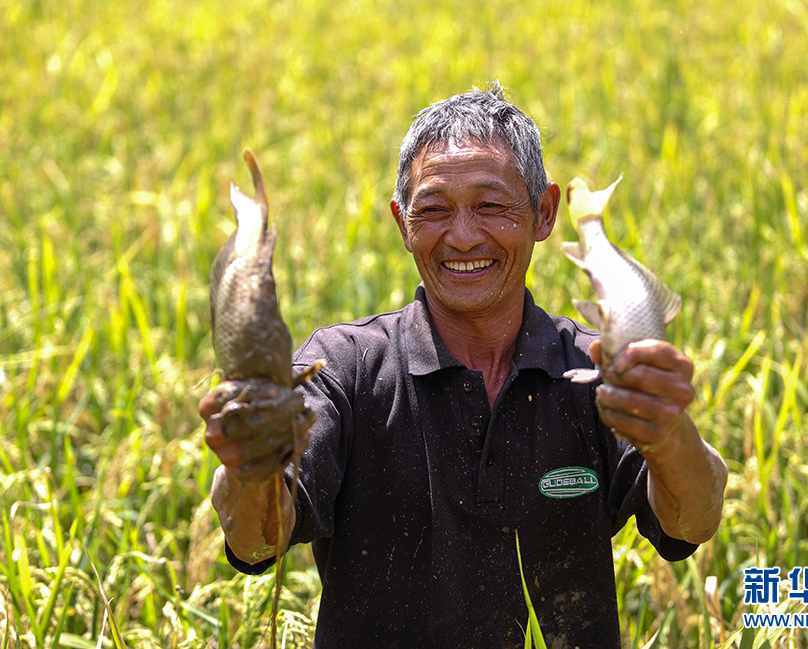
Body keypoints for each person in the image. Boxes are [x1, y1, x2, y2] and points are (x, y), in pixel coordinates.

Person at [200, 83, 727, 648]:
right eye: (433, 210)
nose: (463, 236)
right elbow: (256, 540)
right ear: (403, 224)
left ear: (544, 214)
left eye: (491, 206)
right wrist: (248, 463)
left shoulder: (597, 372)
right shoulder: (346, 369)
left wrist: (669, 431)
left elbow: (692, 519)